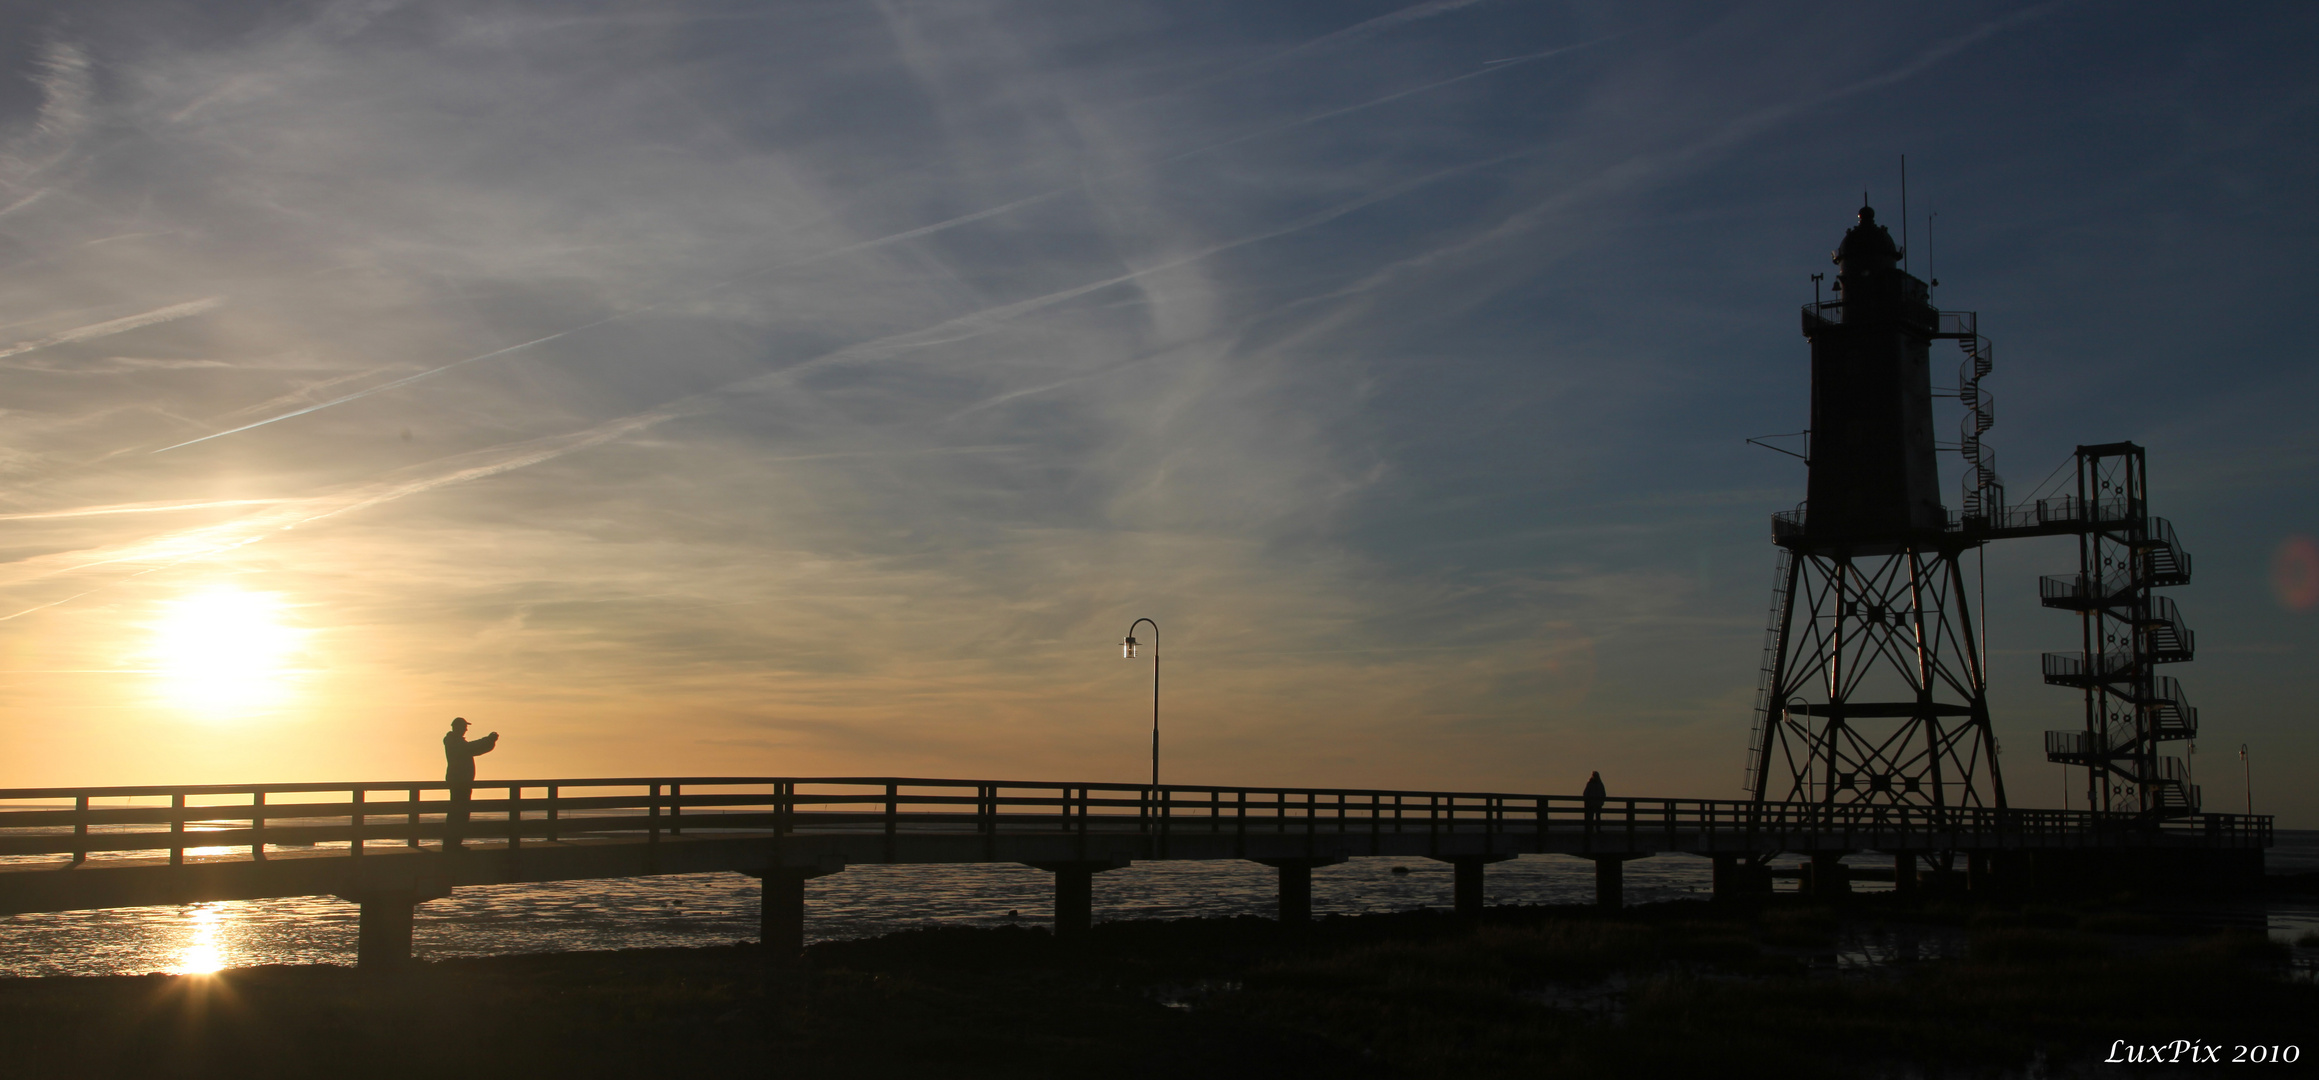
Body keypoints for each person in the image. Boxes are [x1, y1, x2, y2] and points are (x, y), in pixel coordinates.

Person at [443, 717, 499, 849]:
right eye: (463, 727)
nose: (466, 729)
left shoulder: (456, 742)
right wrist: (488, 740)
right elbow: (471, 748)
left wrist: (489, 741)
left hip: (462, 781)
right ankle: (452, 844)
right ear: (457, 727)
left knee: (459, 813)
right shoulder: (454, 742)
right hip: (459, 782)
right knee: (458, 814)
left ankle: (454, 843)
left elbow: (473, 749)